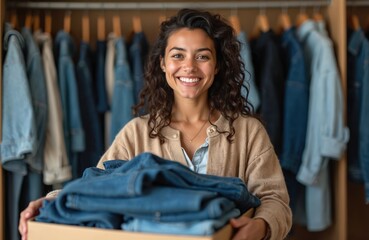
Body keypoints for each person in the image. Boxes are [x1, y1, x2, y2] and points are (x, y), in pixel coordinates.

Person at [19, 8, 292, 240]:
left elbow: (275, 200)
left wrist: (261, 226)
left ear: (218, 65)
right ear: (162, 63)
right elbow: (98, 189)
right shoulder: (137, 132)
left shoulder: (247, 131)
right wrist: (49, 202)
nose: (189, 67)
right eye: (177, 55)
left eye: (203, 56)